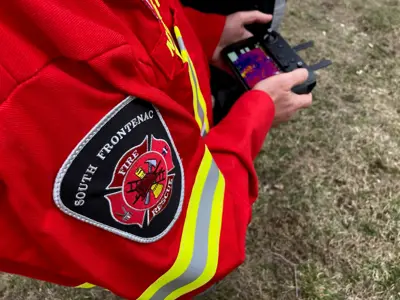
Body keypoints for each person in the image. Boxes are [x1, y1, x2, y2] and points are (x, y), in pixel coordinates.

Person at [0, 0, 311, 299]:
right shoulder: (41, 76)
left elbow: (136, 16)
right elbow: (186, 251)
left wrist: (205, 34)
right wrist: (258, 111)